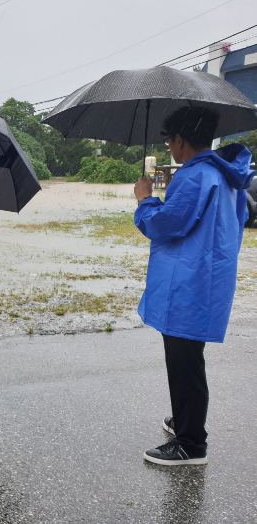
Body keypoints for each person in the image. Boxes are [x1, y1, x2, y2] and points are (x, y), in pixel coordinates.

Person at [133, 106, 254, 466]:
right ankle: (187, 421)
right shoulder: (228, 177)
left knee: (183, 360)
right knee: (189, 356)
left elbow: (166, 224)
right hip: (209, 280)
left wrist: (145, 199)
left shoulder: (194, 175)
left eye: (170, 140)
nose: (170, 146)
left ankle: (191, 443)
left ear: (179, 140)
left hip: (187, 282)